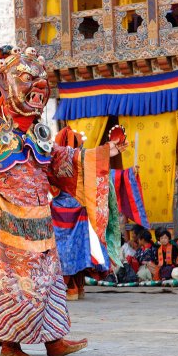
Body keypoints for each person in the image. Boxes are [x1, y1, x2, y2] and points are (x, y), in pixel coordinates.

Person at [0, 45, 126, 356]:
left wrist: (102, 153)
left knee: (49, 277)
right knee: (10, 282)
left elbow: (62, 161)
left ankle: (54, 339)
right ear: (6, 84)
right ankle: (10, 345)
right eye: (27, 78)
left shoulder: (39, 134)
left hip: (39, 218)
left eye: (41, 79)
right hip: (0, 219)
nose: (38, 85)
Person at [50, 126, 119, 301]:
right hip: (78, 208)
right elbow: (95, 159)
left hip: (59, 210)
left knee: (63, 251)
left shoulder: (50, 157)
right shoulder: (76, 156)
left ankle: (70, 288)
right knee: (79, 250)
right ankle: (77, 288)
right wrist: (107, 149)